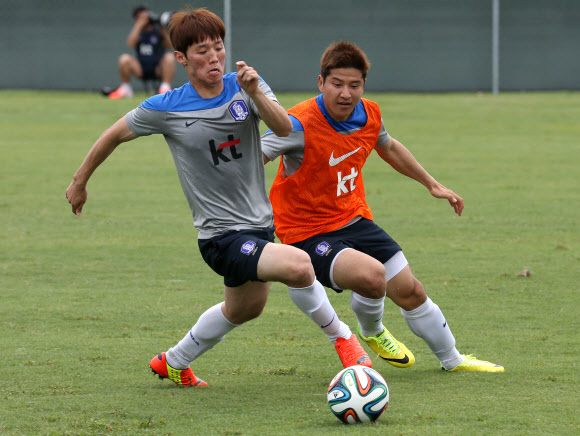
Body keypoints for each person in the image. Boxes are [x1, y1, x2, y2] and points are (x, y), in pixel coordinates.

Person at [66, 9, 378, 388]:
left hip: (259, 226)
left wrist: (253, 92)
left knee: (245, 308)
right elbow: (113, 134)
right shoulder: (167, 107)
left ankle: (173, 362)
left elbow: (284, 127)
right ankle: (345, 342)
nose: (214, 57)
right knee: (298, 265)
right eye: (201, 51)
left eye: (218, 48)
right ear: (180, 58)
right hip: (219, 236)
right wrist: (80, 181)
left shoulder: (247, 84)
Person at [261, 41, 504, 373]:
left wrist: (432, 184)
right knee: (373, 277)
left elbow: (388, 146)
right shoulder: (298, 123)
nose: (346, 93)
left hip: (353, 218)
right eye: (337, 84)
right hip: (305, 232)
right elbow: (249, 160)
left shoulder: (369, 114)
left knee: (411, 290)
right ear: (321, 83)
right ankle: (373, 332)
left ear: (363, 85)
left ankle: (454, 360)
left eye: (354, 85)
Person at [108, 5, 175, 99]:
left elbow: (169, 47)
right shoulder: (138, 31)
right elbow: (130, 43)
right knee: (124, 58)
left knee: (169, 57)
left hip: (158, 68)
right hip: (141, 68)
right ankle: (126, 89)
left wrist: (163, 29)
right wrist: (139, 25)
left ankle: (165, 88)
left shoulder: (157, 30)